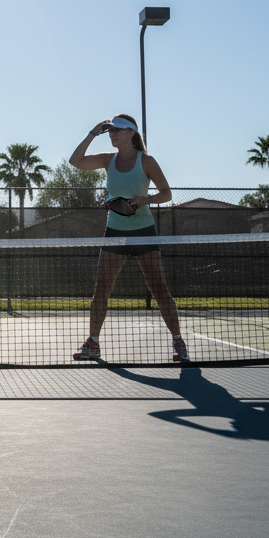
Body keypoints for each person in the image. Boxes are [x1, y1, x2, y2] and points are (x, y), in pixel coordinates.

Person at [68, 113, 189, 363]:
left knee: (159, 289)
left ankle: (178, 342)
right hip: (114, 233)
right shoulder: (107, 160)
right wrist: (93, 132)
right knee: (101, 289)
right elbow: (75, 161)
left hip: (144, 232)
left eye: (117, 130)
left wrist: (148, 200)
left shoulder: (147, 161)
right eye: (109, 130)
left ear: (131, 133)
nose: (112, 134)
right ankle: (93, 343)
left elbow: (166, 193)